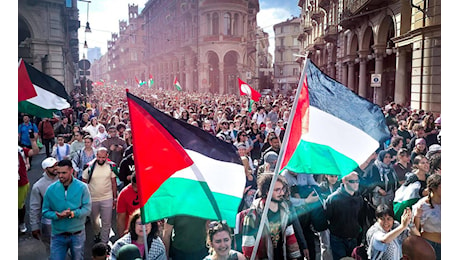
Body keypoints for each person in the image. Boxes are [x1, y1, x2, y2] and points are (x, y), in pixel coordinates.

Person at [242, 173, 301, 259]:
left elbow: (290, 236)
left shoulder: (284, 209)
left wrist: (295, 256)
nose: (282, 193)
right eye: (277, 190)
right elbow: (248, 246)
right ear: (267, 191)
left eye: (282, 189)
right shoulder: (253, 214)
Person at [42, 159, 92, 260]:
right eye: (58, 172)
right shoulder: (51, 189)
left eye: (64, 173)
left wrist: (73, 213)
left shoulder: (82, 187)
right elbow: (45, 211)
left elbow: (87, 209)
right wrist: (56, 215)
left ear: (71, 171)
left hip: (77, 234)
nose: (60, 176)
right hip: (58, 235)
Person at [82, 147, 118, 244]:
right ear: (96, 155)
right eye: (99, 157)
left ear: (107, 156)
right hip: (92, 198)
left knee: (107, 222)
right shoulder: (89, 167)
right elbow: (83, 183)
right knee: (95, 221)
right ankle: (97, 234)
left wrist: (115, 198)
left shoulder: (111, 166)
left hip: (107, 198)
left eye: (103, 157)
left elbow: (114, 183)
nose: (101, 159)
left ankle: (104, 242)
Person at [325, 171, 363, 260]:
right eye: (352, 181)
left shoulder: (359, 198)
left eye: (357, 181)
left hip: (353, 238)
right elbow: (327, 218)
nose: (356, 184)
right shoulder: (333, 199)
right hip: (338, 239)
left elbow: (361, 218)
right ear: (344, 181)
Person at [29, 157, 59, 255]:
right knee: (52, 249)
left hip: (67, 221)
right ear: (45, 169)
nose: (55, 168)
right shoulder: (38, 186)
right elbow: (34, 207)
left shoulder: (64, 178)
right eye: (51, 167)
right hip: (49, 224)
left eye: (56, 165)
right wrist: (34, 226)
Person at [412, 173, 441, 260]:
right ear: (433, 188)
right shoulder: (422, 205)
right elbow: (414, 229)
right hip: (430, 244)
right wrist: (417, 217)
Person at [393, 155, 430, 222]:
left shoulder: (428, 177)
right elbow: (421, 192)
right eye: (423, 163)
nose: (426, 165)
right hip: (411, 206)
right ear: (417, 165)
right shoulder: (412, 178)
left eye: (427, 162)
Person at [18, 134, 40, 233]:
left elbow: (35, 151)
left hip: (21, 182)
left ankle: (21, 223)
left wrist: (33, 141)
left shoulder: (20, 150)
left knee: (19, 205)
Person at [116, 171, 140, 237]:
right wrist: (122, 236)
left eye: (138, 187)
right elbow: (121, 218)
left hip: (149, 228)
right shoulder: (124, 194)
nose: (136, 189)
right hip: (131, 230)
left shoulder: (151, 191)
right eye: (134, 186)